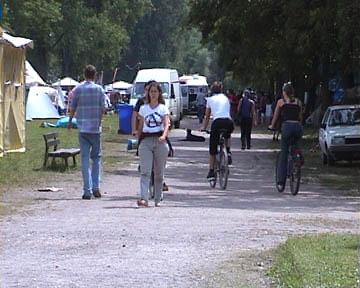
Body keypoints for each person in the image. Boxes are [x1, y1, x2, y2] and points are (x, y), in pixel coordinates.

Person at [68, 65, 105, 200]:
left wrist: (70, 121)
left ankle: (87, 190)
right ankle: (96, 187)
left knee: (84, 159)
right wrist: (100, 121)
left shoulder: (78, 89)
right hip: (95, 129)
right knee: (96, 159)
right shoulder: (99, 90)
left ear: (84, 75)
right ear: (94, 75)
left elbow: (72, 107)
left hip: (83, 128)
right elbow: (103, 108)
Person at [132, 80, 170, 191]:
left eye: (154, 91)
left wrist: (164, 134)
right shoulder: (141, 103)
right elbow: (134, 116)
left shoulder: (161, 105)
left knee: (165, 151)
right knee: (143, 152)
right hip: (145, 134)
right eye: (149, 90)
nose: (151, 93)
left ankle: (160, 180)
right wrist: (134, 130)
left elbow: (165, 121)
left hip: (158, 134)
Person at [269, 82, 303, 190]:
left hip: (287, 127)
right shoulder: (298, 102)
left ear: (284, 92)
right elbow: (300, 117)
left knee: (283, 153)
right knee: (295, 147)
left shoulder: (281, 102)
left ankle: (280, 181)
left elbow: (275, 117)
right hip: (297, 127)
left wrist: (272, 126)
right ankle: (298, 159)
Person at [201, 81, 234, 180]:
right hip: (228, 121)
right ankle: (228, 151)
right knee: (228, 134)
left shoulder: (210, 99)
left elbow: (207, 116)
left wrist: (204, 128)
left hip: (217, 122)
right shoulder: (226, 98)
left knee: (213, 149)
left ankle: (211, 171)